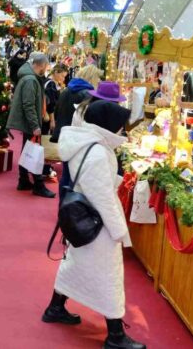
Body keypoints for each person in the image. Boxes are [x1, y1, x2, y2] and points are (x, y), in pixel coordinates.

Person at [44, 99, 145, 349]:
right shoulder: (98, 151)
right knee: (109, 274)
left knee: (76, 264)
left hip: (83, 219)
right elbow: (103, 197)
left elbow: (95, 184)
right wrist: (120, 230)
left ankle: (55, 307)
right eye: (120, 125)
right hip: (97, 223)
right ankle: (115, 336)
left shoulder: (86, 142)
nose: (122, 130)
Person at [6, 52, 56, 198]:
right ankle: (38, 184)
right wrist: (35, 125)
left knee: (27, 150)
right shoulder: (30, 80)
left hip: (28, 121)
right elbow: (28, 105)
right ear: (40, 65)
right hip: (30, 122)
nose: (45, 70)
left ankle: (24, 180)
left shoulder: (29, 77)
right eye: (45, 67)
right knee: (35, 153)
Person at [51, 65, 102, 142]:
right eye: (98, 78)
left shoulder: (67, 90)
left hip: (61, 133)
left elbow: (56, 111)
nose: (99, 81)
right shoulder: (87, 94)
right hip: (75, 137)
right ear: (92, 77)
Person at [42, 63, 68, 136]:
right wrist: (52, 121)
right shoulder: (51, 84)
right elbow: (51, 104)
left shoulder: (47, 80)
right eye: (62, 76)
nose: (63, 79)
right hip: (47, 117)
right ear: (56, 72)